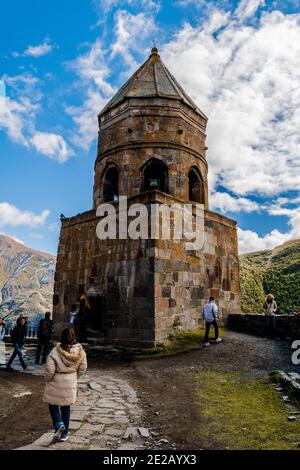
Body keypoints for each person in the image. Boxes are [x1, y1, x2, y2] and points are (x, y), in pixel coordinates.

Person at [43, 327, 87, 443]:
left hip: (56, 380)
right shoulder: (80, 351)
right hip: (70, 380)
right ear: (74, 337)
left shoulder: (55, 351)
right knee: (66, 407)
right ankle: (64, 434)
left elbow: (49, 370)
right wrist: (75, 376)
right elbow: (83, 367)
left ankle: (58, 424)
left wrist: (48, 380)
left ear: (62, 337)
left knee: (53, 405)